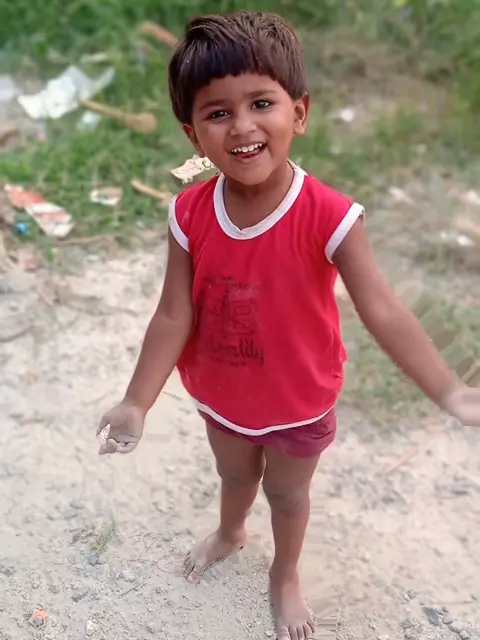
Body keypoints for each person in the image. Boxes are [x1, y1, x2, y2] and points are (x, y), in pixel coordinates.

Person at [97, 11, 480, 640]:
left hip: (300, 400)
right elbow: (173, 312)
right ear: (193, 134)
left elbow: (382, 308)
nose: (242, 126)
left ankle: (285, 573)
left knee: (287, 495)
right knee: (234, 476)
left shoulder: (331, 216)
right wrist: (136, 401)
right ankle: (230, 531)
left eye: (261, 103)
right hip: (221, 392)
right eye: (217, 112)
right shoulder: (189, 213)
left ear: (299, 113)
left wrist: (451, 391)